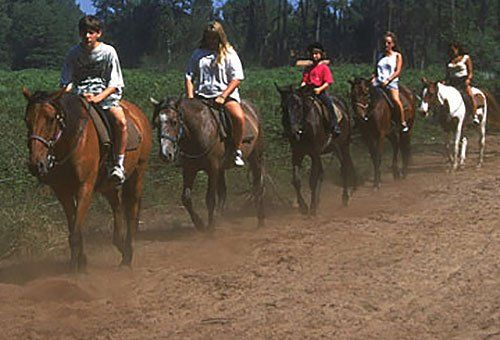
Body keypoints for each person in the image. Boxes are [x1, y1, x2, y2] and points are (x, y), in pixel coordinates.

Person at [60, 15, 127, 184]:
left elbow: (115, 83)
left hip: (104, 96)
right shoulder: (73, 54)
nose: (87, 36)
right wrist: (67, 95)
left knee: (121, 122)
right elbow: (67, 82)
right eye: (84, 33)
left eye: (91, 33)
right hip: (78, 96)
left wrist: (98, 98)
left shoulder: (108, 52)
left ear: (99, 33)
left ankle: (118, 164)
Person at [185, 21, 246, 167]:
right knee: (183, 118)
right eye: (208, 37)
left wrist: (223, 96)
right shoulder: (198, 54)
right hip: (202, 96)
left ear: (220, 37)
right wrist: (190, 98)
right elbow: (189, 76)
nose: (211, 40)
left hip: (224, 96)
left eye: (214, 37)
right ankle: (184, 153)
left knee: (238, 116)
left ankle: (236, 150)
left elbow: (237, 78)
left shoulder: (229, 53)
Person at [300, 43, 341, 135]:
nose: (314, 56)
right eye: (313, 54)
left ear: (321, 54)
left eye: (316, 54)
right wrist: (302, 86)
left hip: (320, 91)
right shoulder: (308, 68)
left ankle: (335, 125)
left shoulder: (324, 68)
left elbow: (328, 82)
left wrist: (319, 89)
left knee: (329, 104)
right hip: (308, 91)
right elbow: (304, 80)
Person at [371, 31, 408, 132]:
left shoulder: (397, 56)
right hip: (378, 82)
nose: (386, 45)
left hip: (391, 82)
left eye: (389, 43)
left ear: (393, 44)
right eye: (385, 43)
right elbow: (375, 70)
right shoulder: (380, 55)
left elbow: (398, 71)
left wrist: (388, 80)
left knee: (395, 100)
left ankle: (402, 121)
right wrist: (373, 77)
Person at [445, 41, 478, 124]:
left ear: (458, 49)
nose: (452, 52)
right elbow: (447, 75)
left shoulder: (465, 58)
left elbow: (470, 72)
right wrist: (444, 81)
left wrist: (468, 79)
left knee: (470, 95)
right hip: (452, 82)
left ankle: (475, 115)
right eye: (451, 50)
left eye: (453, 50)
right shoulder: (450, 61)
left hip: (463, 81)